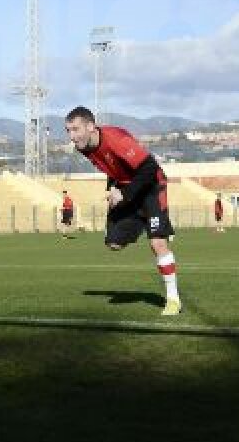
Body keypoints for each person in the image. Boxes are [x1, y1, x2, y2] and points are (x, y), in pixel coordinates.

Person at [64, 106, 182, 316]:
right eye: (68, 131)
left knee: (157, 243)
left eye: (75, 129)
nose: (72, 136)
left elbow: (149, 167)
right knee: (114, 244)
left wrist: (125, 195)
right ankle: (155, 224)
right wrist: (113, 189)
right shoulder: (85, 147)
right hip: (127, 189)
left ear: (91, 127)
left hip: (151, 187)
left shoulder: (115, 138)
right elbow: (114, 168)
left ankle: (173, 299)